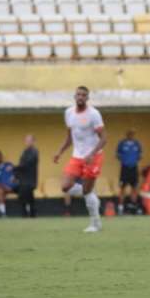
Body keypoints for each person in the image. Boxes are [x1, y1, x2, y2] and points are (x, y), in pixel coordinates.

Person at [53, 86, 107, 232]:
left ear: (87, 98)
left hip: (94, 157)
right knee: (65, 186)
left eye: (84, 95)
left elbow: (104, 139)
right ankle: (92, 197)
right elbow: (70, 137)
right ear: (74, 96)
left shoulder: (94, 114)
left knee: (87, 191)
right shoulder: (68, 113)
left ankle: (95, 224)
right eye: (78, 94)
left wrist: (92, 154)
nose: (81, 97)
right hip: (77, 156)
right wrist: (60, 151)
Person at [115, 129, 142, 215]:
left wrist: (133, 161)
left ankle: (134, 207)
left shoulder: (137, 144)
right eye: (129, 134)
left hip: (134, 168)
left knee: (134, 188)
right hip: (125, 168)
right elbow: (117, 155)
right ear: (127, 135)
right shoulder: (122, 144)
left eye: (132, 134)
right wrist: (125, 161)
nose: (131, 135)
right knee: (122, 188)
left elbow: (140, 155)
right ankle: (120, 208)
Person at [13, 135, 39, 218]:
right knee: (23, 198)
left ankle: (31, 215)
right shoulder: (25, 152)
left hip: (30, 180)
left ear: (33, 141)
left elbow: (26, 164)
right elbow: (21, 165)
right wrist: (16, 176)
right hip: (23, 180)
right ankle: (25, 215)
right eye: (26, 140)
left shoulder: (34, 152)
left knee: (29, 198)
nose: (27, 142)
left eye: (29, 140)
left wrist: (14, 167)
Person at [0, 150, 17, 218]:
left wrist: (15, 179)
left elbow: (17, 174)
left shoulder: (9, 165)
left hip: (15, 186)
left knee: (26, 188)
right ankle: (3, 213)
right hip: (4, 188)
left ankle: (28, 212)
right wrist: (4, 187)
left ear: (2, 157)